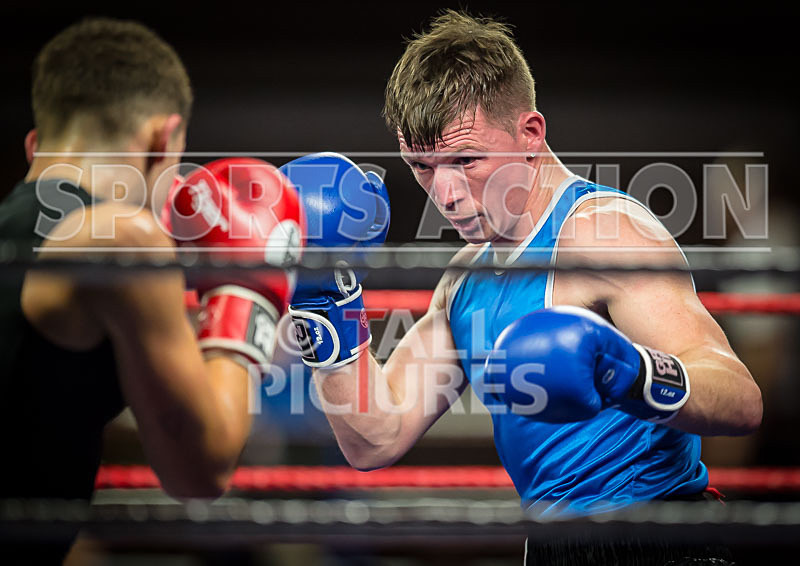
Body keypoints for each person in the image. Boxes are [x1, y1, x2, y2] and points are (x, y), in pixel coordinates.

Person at [285, 10, 762, 565]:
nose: (445, 193)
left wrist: (628, 373)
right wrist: (320, 297)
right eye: (421, 166)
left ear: (530, 134)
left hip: (660, 537)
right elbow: (376, 436)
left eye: (465, 160)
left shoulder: (601, 234)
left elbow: (741, 399)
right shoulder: (464, 279)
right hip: (550, 549)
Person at [0, 18, 303, 562]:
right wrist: (246, 290)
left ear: (35, 145)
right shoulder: (122, 238)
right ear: (163, 141)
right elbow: (201, 469)